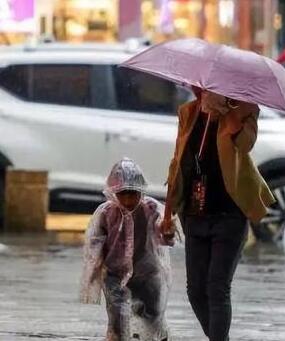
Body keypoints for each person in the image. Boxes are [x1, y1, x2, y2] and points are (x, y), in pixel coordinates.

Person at [161, 88, 274, 341]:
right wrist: (168, 212)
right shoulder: (188, 112)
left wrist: (227, 114)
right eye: (196, 84)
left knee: (217, 287)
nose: (198, 88)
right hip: (195, 212)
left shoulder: (246, 110)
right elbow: (177, 162)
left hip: (229, 213)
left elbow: (245, 146)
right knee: (195, 290)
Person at [80, 158, 177, 341]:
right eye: (122, 194)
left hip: (147, 274)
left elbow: (164, 236)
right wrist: (94, 269)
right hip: (114, 275)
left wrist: (167, 230)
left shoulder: (152, 209)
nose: (127, 200)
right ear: (113, 193)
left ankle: (155, 336)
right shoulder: (105, 213)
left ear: (140, 191)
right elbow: (95, 243)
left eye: (132, 194)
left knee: (153, 314)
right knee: (117, 316)